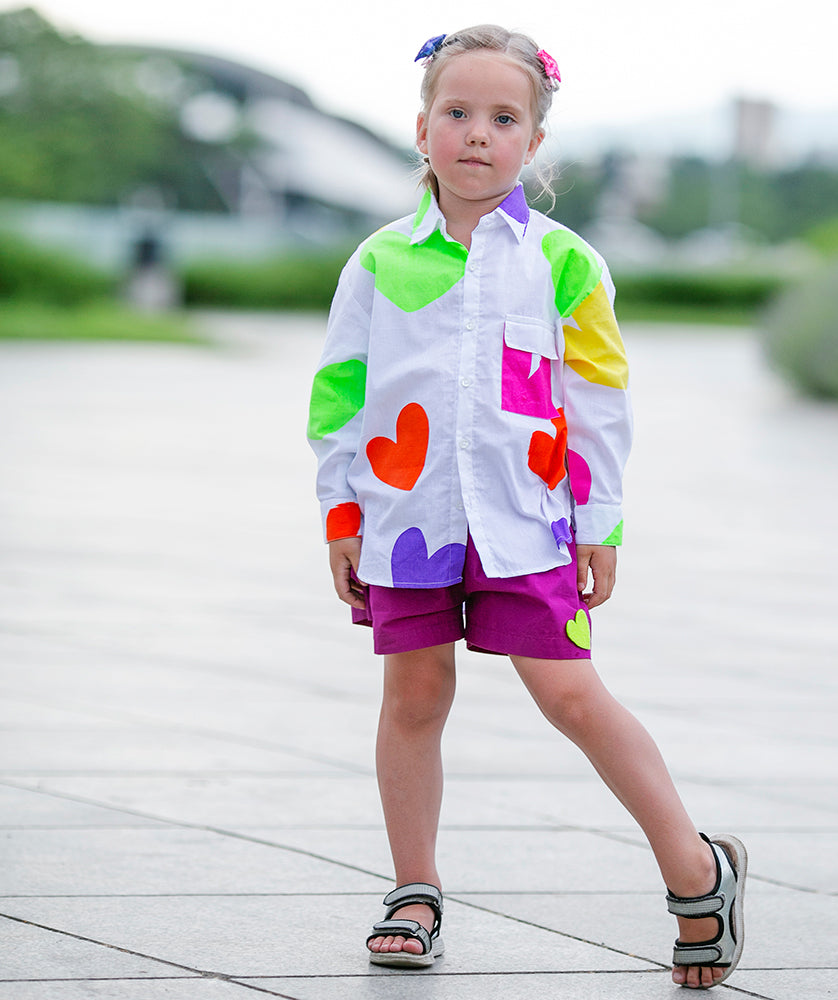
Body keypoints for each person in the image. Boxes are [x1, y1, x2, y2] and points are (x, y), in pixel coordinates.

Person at [307, 24, 747, 990]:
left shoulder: (566, 265)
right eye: (455, 113)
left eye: (503, 118)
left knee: (570, 693)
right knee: (413, 697)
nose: (477, 134)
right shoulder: (379, 265)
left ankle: (696, 868)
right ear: (420, 129)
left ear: (533, 144)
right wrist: (342, 515)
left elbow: (599, 399)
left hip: (528, 520)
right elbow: (339, 394)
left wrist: (601, 523)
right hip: (406, 518)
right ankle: (412, 892)